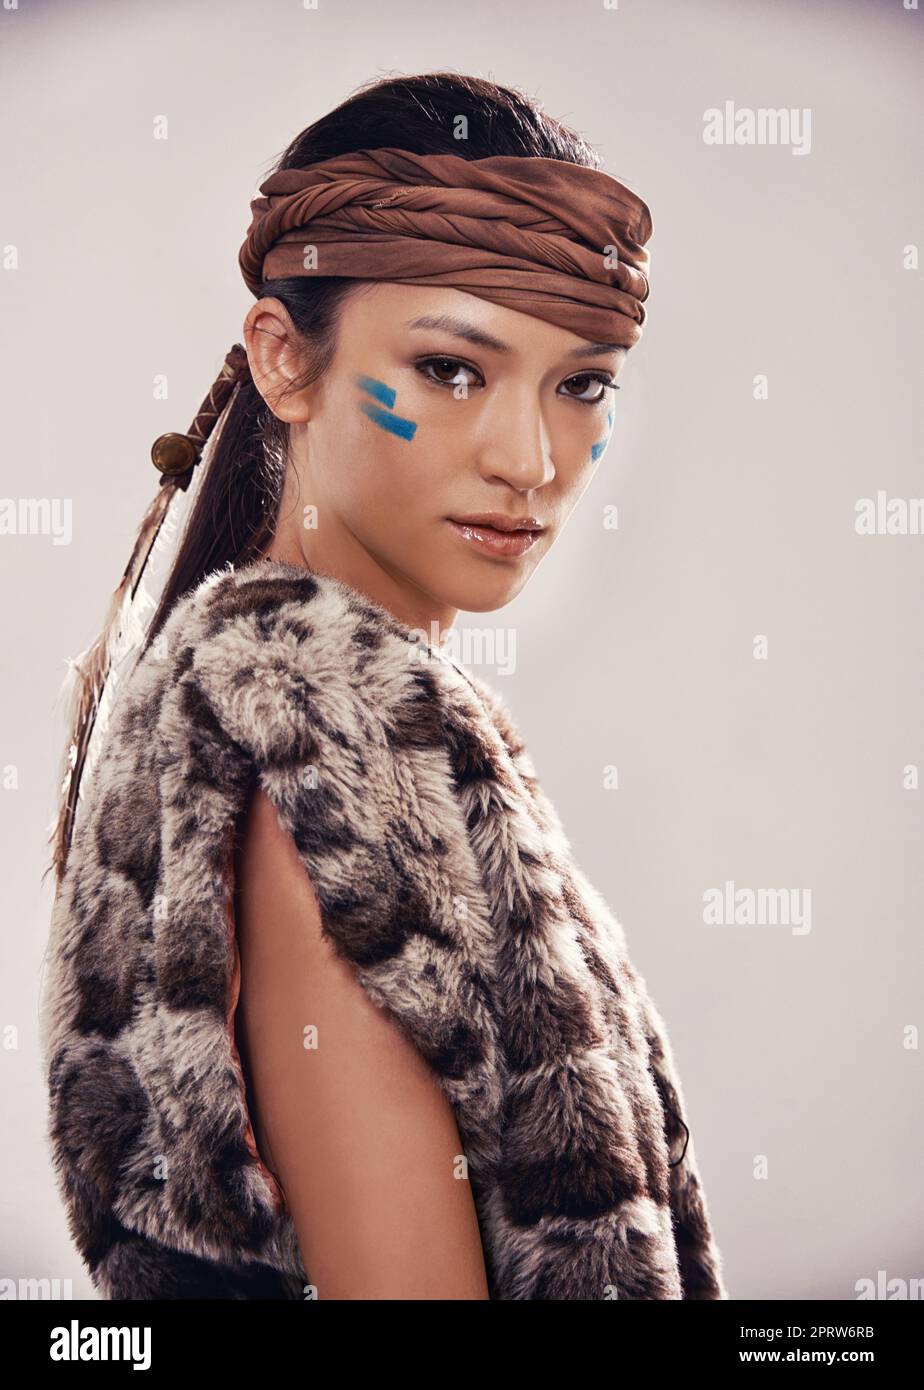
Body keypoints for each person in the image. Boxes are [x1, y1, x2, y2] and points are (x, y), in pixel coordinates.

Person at [41, 71, 727, 1300]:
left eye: (582, 384)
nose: (531, 461)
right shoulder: (318, 735)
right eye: (452, 370)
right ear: (283, 361)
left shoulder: (260, 701)